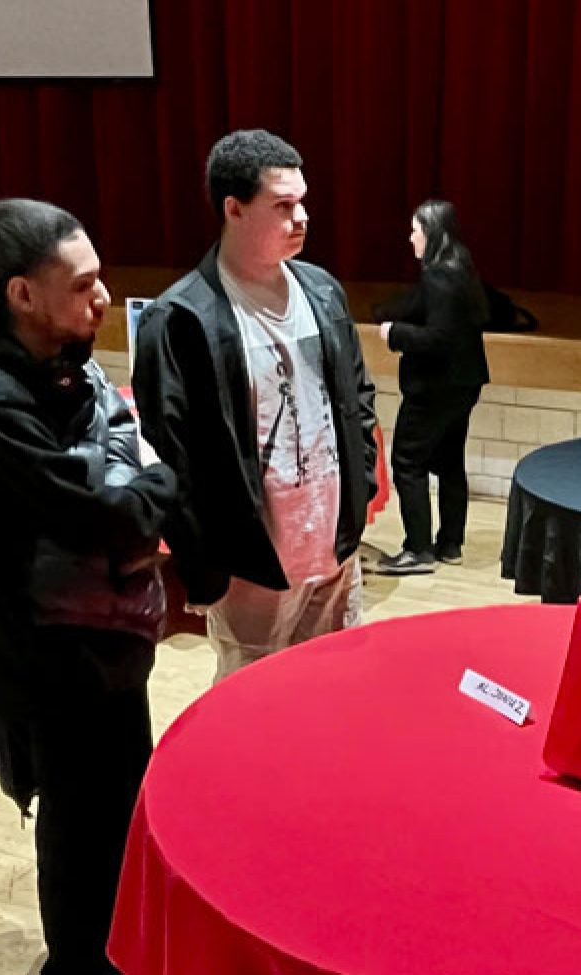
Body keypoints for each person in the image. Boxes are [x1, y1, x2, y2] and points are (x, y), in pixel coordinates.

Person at [0, 198, 177, 975]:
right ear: (22, 294)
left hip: (107, 638)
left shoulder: (68, 363)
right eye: (82, 284)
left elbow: (122, 456)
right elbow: (105, 513)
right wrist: (159, 481)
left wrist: (132, 480)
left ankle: (119, 949)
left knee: (121, 811)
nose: (103, 298)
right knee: (78, 836)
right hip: (44, 658)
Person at [133, 129, 378, 681]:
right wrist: (203, 568)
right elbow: (173, 456)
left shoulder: (322, 291)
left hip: (334, 546)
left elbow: (357, 397)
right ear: (234, 209)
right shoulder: (181, 318)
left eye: (303, 202)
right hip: (252, 563)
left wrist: (359, 492)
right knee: (254, 695)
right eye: (283, 206)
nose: (302, 217)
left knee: (336, 684)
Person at [372, 199, 490, 574]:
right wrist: (389, 314)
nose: (410, 238)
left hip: (433, 389)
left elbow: (439, 338)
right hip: (464, 384)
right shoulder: (462, 270)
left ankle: (418, 549)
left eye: (415, 231)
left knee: (408, 463)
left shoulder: (439, 277)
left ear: (433, 234)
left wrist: (395, 333)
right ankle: (451, 543)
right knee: (450, 462)